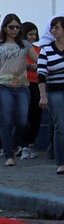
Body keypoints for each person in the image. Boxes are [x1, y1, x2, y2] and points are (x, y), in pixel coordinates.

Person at [0, 13, 39, 166]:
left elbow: (39, 59)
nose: (15, 29)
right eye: (11, 27)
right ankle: (8, 154)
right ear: (5, 27)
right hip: (3, 86)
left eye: (17, 27)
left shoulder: (25, 45)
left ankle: (15, 145)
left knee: (23, 121)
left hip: (22, 86)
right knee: (7, 121)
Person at [37, 16, 64, 175]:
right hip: (55, 92)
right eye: (52, 28)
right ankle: (61, 161)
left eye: (57, 27)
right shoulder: (46, 50)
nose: (53, 30)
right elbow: (41, 74)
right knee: (60, 126)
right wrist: (43, 95)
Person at [20, 22, 43, 159]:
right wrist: (28, 66)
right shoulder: (19, 49)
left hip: (37, 84)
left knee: (36, 115)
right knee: (23, 116)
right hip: (23, 83)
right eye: (30, 34)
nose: (33, 37)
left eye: (35, 34)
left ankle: (31, 142)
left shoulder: (38, 50)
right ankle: (23, 144)